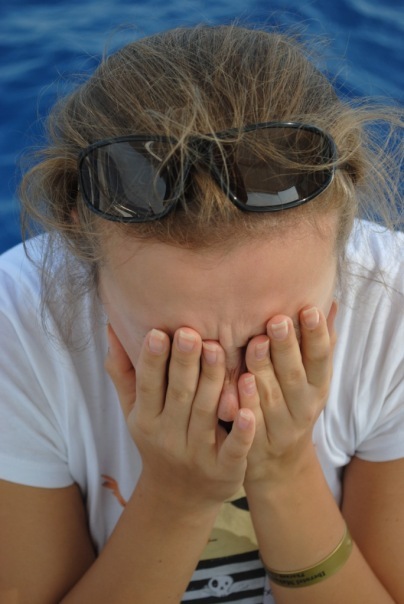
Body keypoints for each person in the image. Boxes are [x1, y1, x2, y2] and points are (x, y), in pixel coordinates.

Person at [0, 23, 403, 604]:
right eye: (178, 351)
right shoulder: (17, 325)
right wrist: (176, 497)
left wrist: (284, 471)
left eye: (273, 341)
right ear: (79, 244)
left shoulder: (394, 308)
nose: (231, 403)